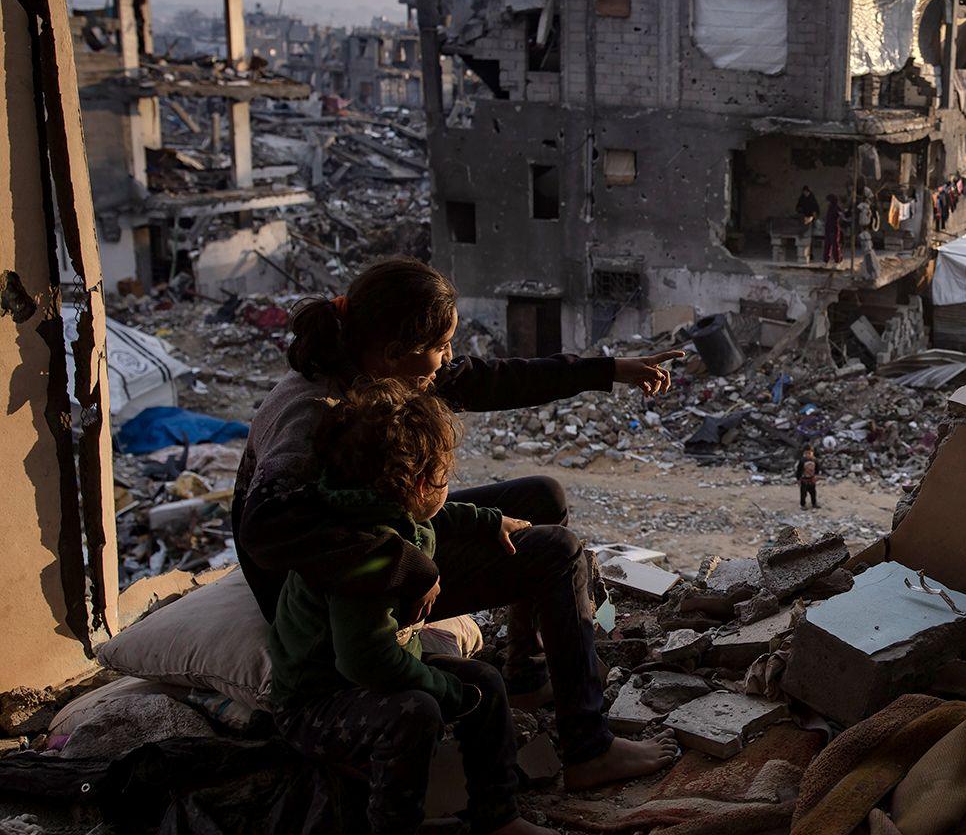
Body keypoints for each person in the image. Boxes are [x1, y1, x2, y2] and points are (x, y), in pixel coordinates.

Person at [235, 257, 682, 790]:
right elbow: (267, 531)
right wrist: (408, 566)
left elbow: (492, 380)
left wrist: (607, 371)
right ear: (394, 351)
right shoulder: (311, 409)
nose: (448, 360)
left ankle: (525, 674)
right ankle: (589, 747)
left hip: (372, 531)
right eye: (441, 346)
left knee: (541, 497)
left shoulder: (378, 366)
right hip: (329, 583)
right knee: (559, 552)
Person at [269, 381, 565, 835]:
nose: (448, 487)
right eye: (445, 478)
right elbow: (365, 661)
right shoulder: (360, 557)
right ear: (422, 482)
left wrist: (490, 521)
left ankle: (499, 816)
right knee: (418, 711)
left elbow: (433, 517)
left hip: (370, 670)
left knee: (484, 680)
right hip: (320, 702)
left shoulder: (379, 508)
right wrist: (445, 691)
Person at [795, 444, 820, 509]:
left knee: (813, 493)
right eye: (806, 453)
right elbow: (799, 470)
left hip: (812, 479)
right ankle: (803, 504)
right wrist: (798, 479)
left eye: (809, 453)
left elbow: (817, 468)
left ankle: (814, 503)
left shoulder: (815, 460)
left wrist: (816, 476)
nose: (808, 454)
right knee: (803, 493)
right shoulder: (802, 461)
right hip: (804, 479)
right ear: (804, 453)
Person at [822, 194, 845, 265]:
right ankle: (826, 260)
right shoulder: (830, 207)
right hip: (828, 228)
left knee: (835, 245)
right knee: (827, 245)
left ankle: (837, 260)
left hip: (834, 228)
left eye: (828, 201)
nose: (827, 202)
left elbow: (842, 216)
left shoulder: (836, 208)